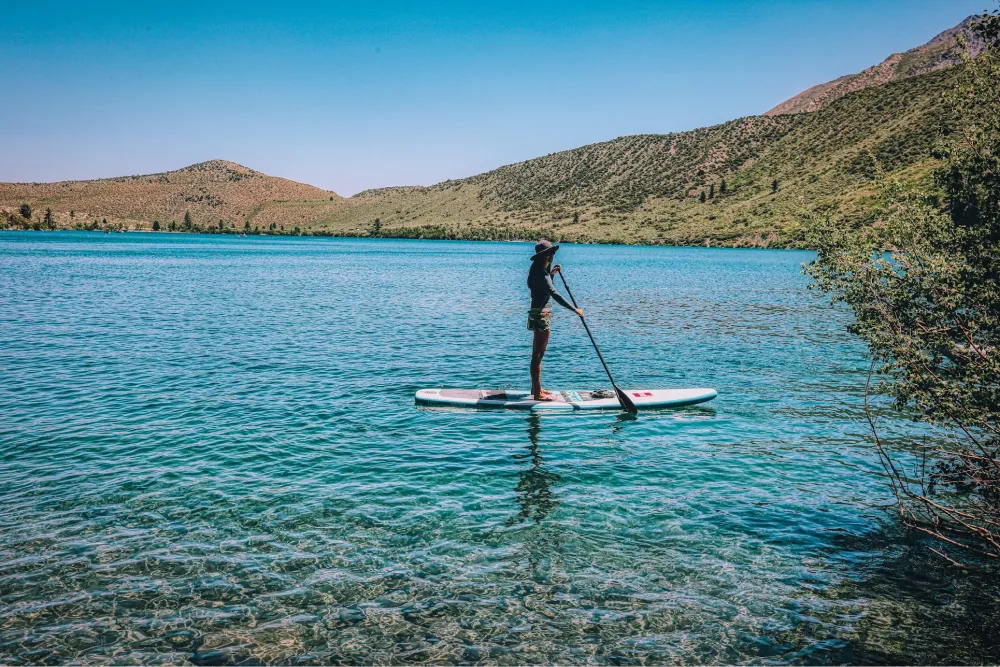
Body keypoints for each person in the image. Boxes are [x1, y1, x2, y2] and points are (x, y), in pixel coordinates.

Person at [527, 240, 583, 401]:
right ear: (545, 256)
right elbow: (554, 294)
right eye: (551, 253)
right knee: (538, 354)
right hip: (541, 316)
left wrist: (552, 274)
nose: (553, 255)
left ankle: (536, 388)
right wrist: (574, 309)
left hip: (538, 314)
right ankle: (537, 393)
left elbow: (545, 287)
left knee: (538, 354)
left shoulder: (538, 271)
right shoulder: (540, 273)